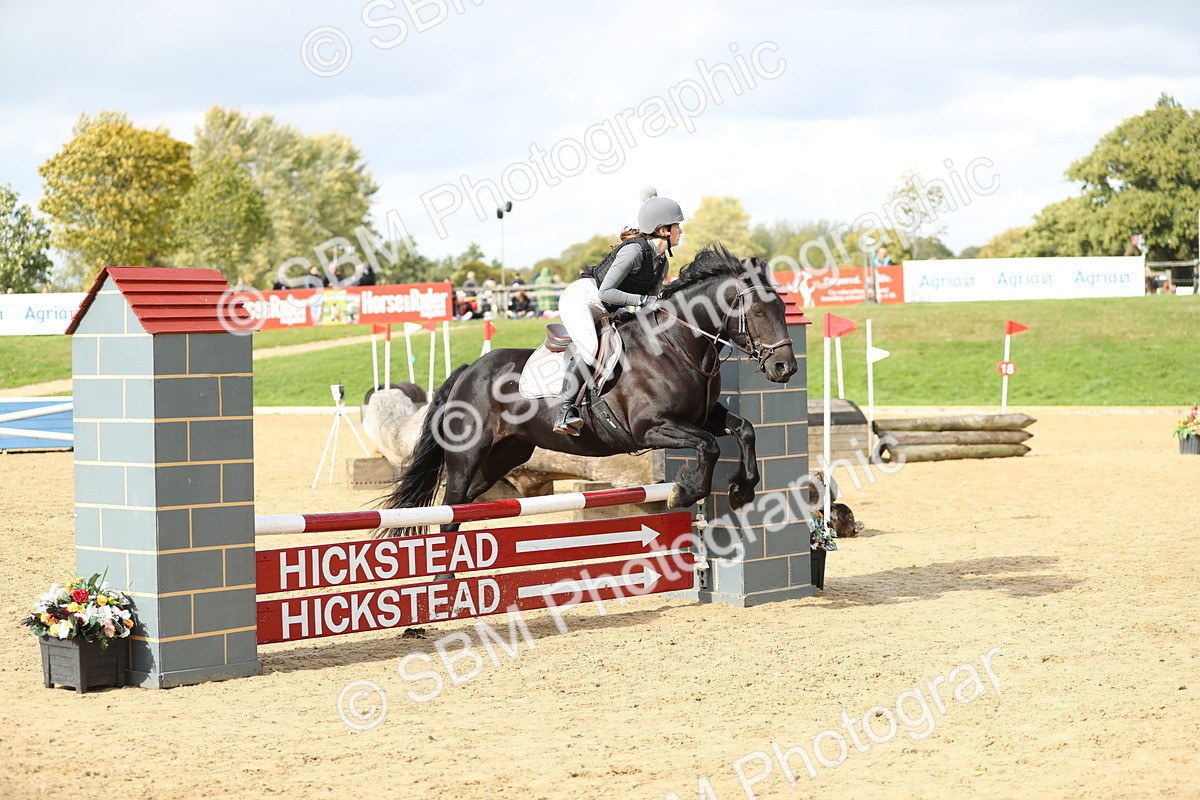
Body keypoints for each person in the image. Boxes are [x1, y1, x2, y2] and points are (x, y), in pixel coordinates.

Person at [552, 186, 685, 435]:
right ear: (663, 230)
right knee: (590, 348)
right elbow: (606, 292)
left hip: (610, 308)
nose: (681, 231)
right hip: (583, 300)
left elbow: (652, 299)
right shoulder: (634, 251)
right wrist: (643, 301)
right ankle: (565, 410)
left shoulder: (662, 262)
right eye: (677, 226)